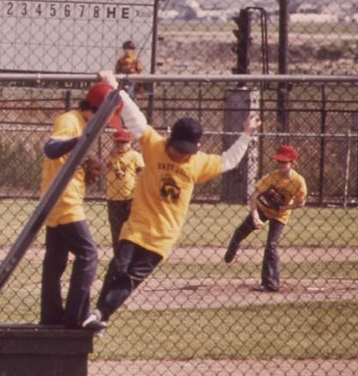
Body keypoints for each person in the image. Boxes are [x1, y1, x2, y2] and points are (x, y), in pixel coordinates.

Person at [83, 72, 261, 334]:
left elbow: (229, 160)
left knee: (130, 279)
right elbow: (133, 115)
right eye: (177, 147)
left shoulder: (198, 162)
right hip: (137, 227)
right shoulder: (154, 145)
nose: (180, 154)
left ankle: (100, 315)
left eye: (186, 150)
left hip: (163, 238)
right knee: (117, 269)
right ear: (169, 138)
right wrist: (113, 86)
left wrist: (246, 134)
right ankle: (99, 315)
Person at [39, 79, 124, 328]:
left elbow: (68, 156)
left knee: (55, 262)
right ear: (94, 109)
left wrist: (87, 161)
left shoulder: (81, 123)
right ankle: (75, 316)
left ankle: (51, 317)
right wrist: (81, 141)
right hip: (65, 199)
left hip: (59, 199)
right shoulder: (71, 120)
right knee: (88, 254)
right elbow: (52, 149)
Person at [224, 144, 308, 292]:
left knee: (271, 246)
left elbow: (300, 203)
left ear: (293, 163)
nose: (280, 164)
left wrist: (285, 208)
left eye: (284, 162)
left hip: (280, 215)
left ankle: (270, 284)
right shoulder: (271, 177)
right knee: (239, 232)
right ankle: (230, 256)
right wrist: (256, 216)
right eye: (279, 161)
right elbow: (253, 197)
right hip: (263, 210)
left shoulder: (298, 181)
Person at [105, 129, 144, 247]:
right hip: (113, 199)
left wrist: (137, 196)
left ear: (130, 143)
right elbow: (102, 167)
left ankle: (130, 255)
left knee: (130, 232)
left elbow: (142, 175)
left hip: (129, 198)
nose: (120, 145)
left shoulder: (134, 156)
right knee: (116, 232)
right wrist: (109, 156)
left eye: (123, 142)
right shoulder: (112, 156)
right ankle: (117, 255)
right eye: (118, 143)